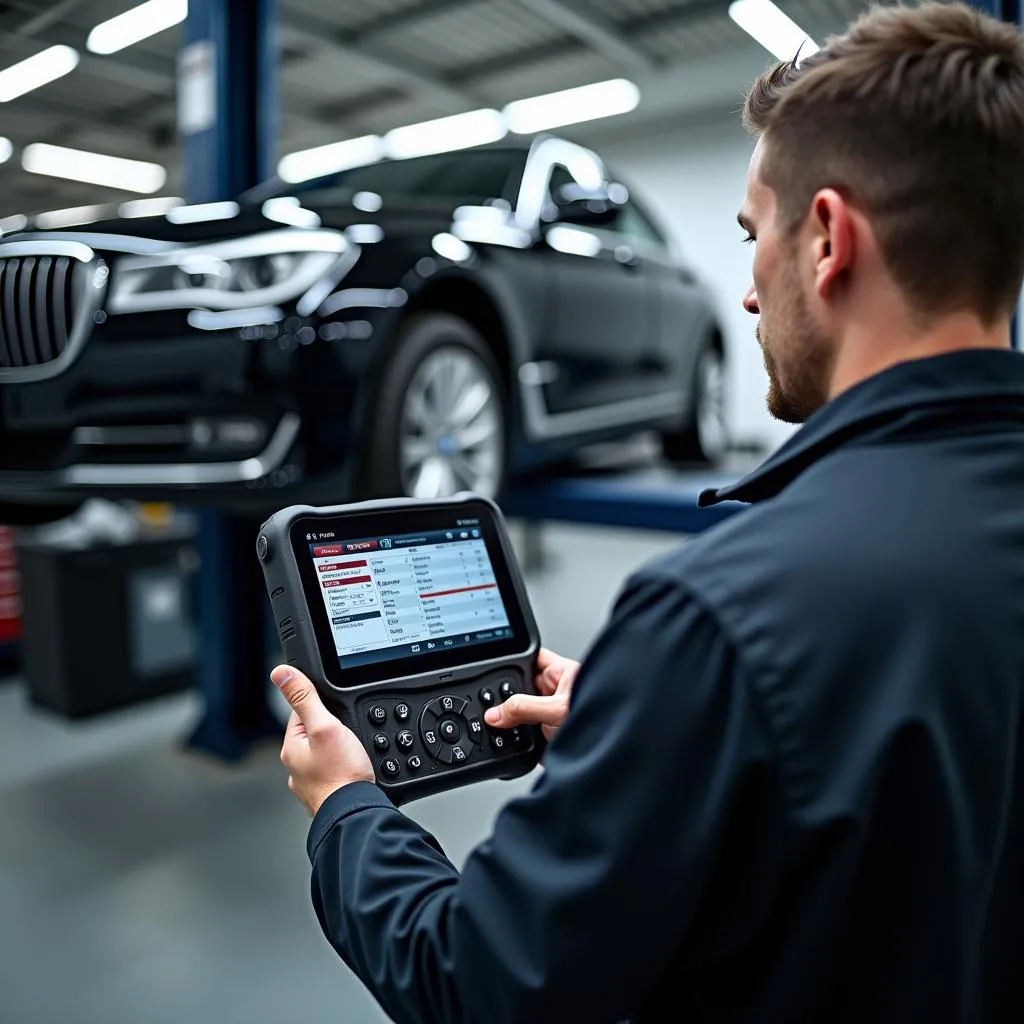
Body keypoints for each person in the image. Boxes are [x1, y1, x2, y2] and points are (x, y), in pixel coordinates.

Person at [268, 3, 1024, 1021]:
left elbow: (478, 981)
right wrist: (664, 728)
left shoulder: (718, 615)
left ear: (829, 240)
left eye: (754, 234)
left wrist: (345, 807)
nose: (749, 290)